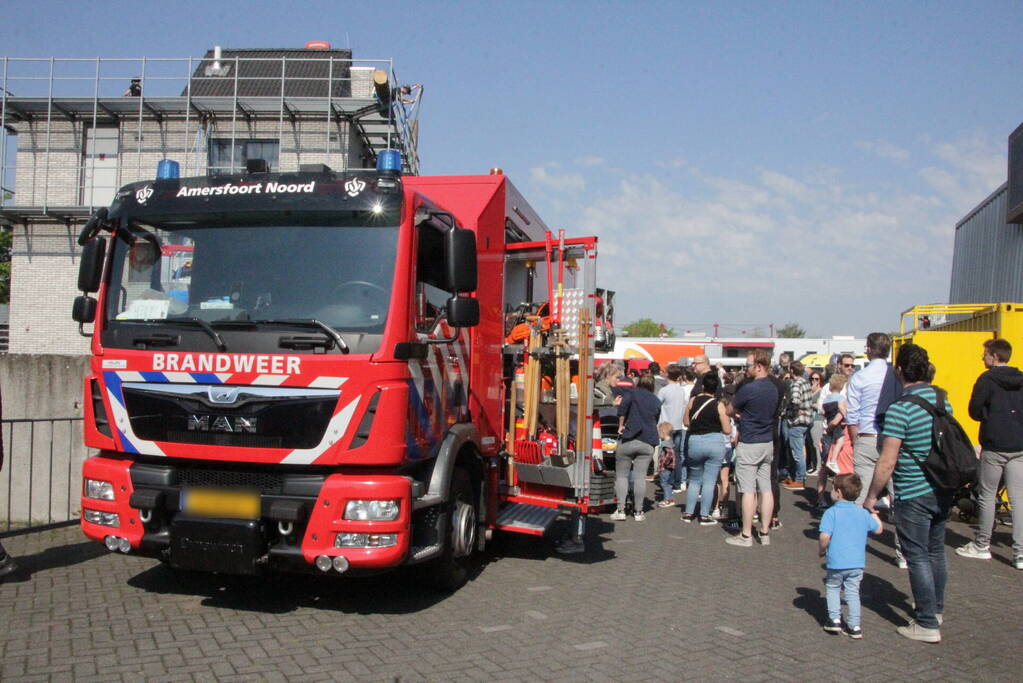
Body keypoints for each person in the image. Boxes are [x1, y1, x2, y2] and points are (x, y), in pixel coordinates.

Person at [863, 343, 951, 643]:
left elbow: (887, 461)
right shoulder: (942, 399)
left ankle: (926, 623)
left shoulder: (901, 408)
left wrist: (872, 496)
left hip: (913, 489)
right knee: (936, 551)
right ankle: (935, 609)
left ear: (899, 371)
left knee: (917, 556)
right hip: (941, 486)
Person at [956, 338, 1023, 569]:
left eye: (985, 354)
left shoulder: (986, 380)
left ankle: (982, 545)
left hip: (994, 445)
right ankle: (1020, 553)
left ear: (994, 357)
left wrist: (990, 417)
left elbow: (974, 410)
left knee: (987, 495)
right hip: (1019, 445)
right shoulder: (1021, 378)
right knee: (1018, 498)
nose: (982, 358)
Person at [725, 349, 780, 547]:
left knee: (747, 489)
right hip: (767, 442)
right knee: (766, 487)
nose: (745, 368)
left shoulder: (749, 389)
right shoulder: (773, 388)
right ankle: (764, 532)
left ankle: (746, 534)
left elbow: (729, 409)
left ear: (758, 366)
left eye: (748, 365)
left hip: (750, 441)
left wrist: (739, 413)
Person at [819, 473, 883, 638]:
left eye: (832, 488)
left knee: (833, 588)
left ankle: (834, 620)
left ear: (838, 492)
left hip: (836, 561)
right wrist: (873, 513)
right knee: (853, 592)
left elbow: (824, 536)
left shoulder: (831, 513)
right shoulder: (862, 513)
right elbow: (878, 529)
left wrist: (821, 550)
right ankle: (854, 625)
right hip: (857, 563)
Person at [847, 333, 892, 505]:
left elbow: (853, 416)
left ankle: (858, 528)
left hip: (866, 435)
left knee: (861, 491)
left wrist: (854, 440)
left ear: (869, 349)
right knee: (898, 490)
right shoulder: (895, 376)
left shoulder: (860, 376)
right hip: (892, 436)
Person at [682, 372, 731, 523]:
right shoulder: (719, 405)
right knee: (710, 481)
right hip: (715, 442)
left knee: (695, 479)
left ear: (703, 386)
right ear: (716, 389)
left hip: (695, 441)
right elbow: (727, 430)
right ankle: (704, 515)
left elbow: (686, 422)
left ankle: (689, 513)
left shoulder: (693, 400)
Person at [611, 373, 661, 522]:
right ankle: (639, 512)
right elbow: (656, 419)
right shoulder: (656, 400)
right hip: (647, 441)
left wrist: (621, 425)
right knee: (640, 477)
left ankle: (620, 510)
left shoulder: (631, 393)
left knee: (621, 475)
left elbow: (622, 410)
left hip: (629, 437)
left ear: (638, 382)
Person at [656, 365, 687, 502]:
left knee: (665, 455)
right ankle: (677, 481)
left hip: (666, 426)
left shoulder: (664, 390)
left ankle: (666, 480)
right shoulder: (681, 390)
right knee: (677, 456)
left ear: (668, 375)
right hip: (678, 425)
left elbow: (657, 406)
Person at [782, 361, 813, 490]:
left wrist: (789, 410)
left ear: (792, 371)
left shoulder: (796, 384)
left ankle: (799, 479)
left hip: (797, 421)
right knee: (799, 450)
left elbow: (795, 401)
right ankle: (795, 476)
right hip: (807, 421)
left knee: (796, 452)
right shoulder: (806, 383)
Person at [655, 422, 678, 508]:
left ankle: (668, 499)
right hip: (668, 467)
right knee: (666, 483)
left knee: (664, 483)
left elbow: (670, 454)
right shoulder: (670, 442)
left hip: (665, 467)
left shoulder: (666, 444)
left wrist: (664, 463)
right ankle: (669, 498)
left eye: (659, 432)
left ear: (663, 432)